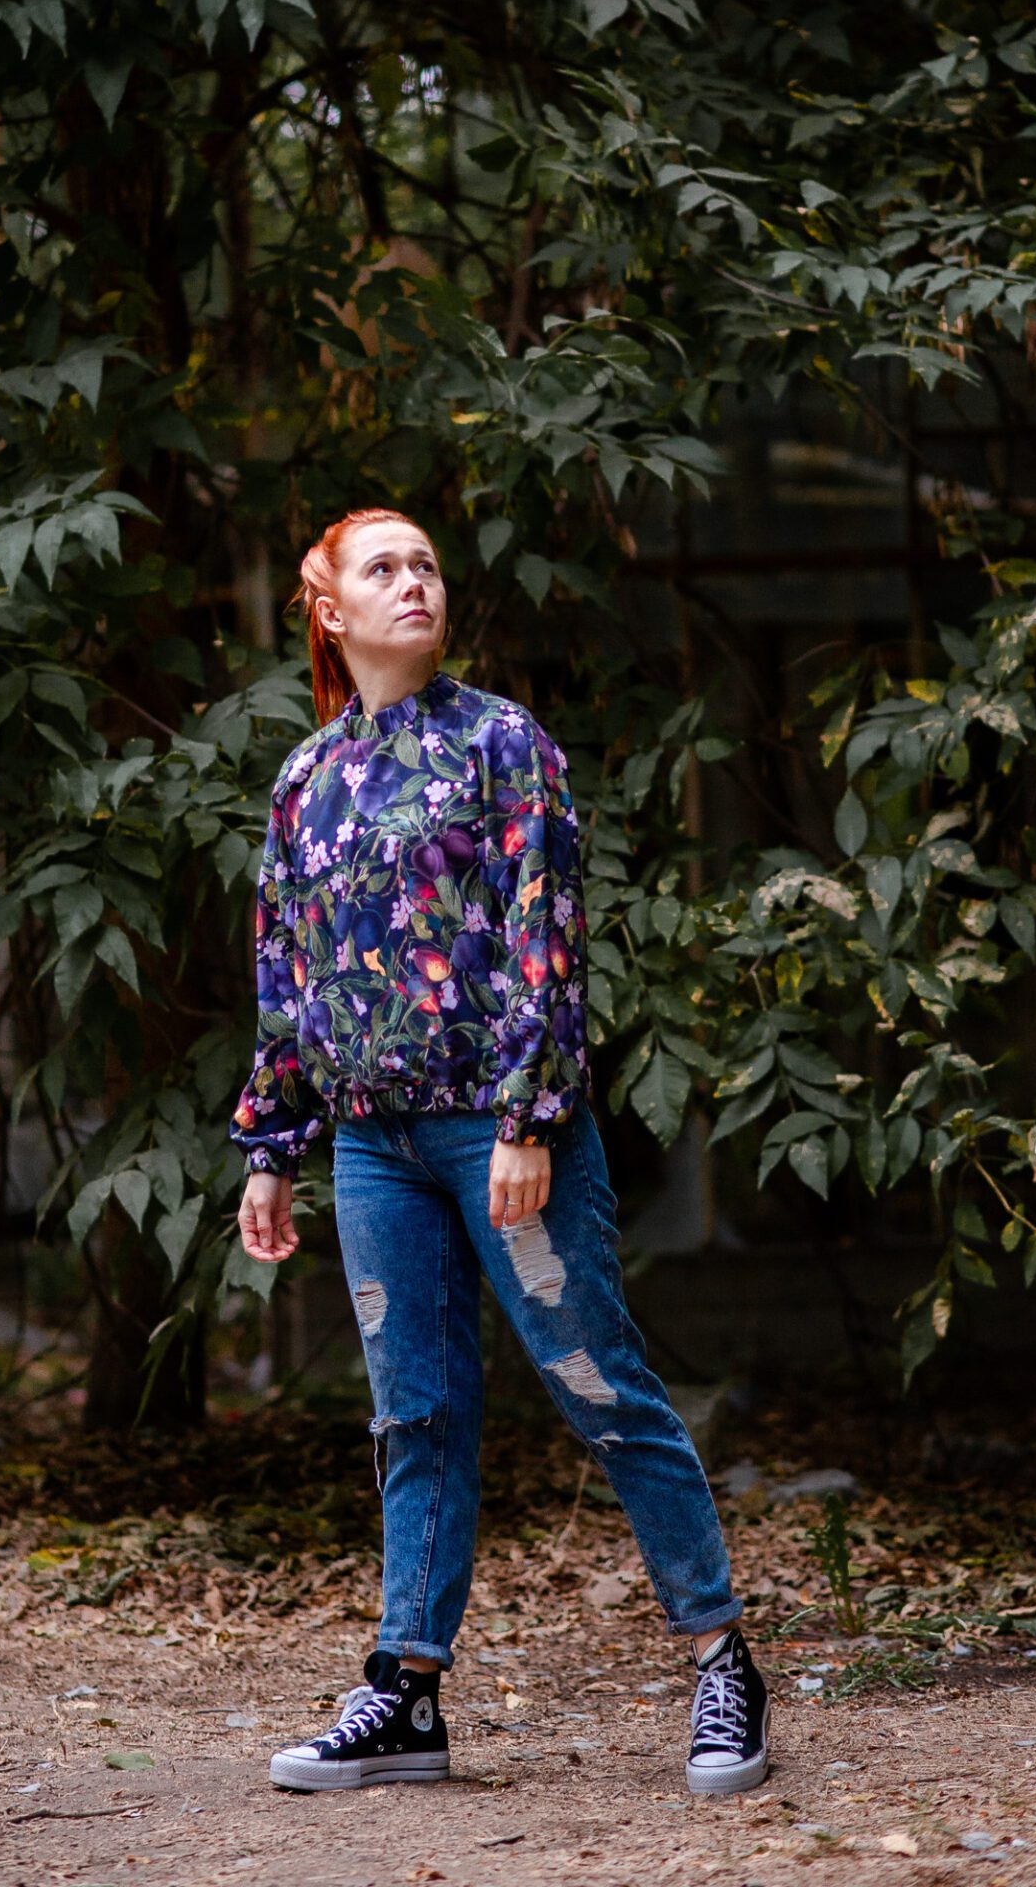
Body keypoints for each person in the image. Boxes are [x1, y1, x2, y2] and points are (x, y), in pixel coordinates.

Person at [232, 507, 769, 1798]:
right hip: (372, 1148)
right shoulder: (305, 780)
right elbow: (287, 972)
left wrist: (528, 1118)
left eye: (426, 565)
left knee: (598, 1384)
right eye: (383, 569)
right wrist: (270, 1147)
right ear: (329, 610)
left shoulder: (500, 742)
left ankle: (723, 1664)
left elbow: (546, 936)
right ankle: (405, 1695)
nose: (413, 583)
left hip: (497, 1127)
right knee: (414, 1412)